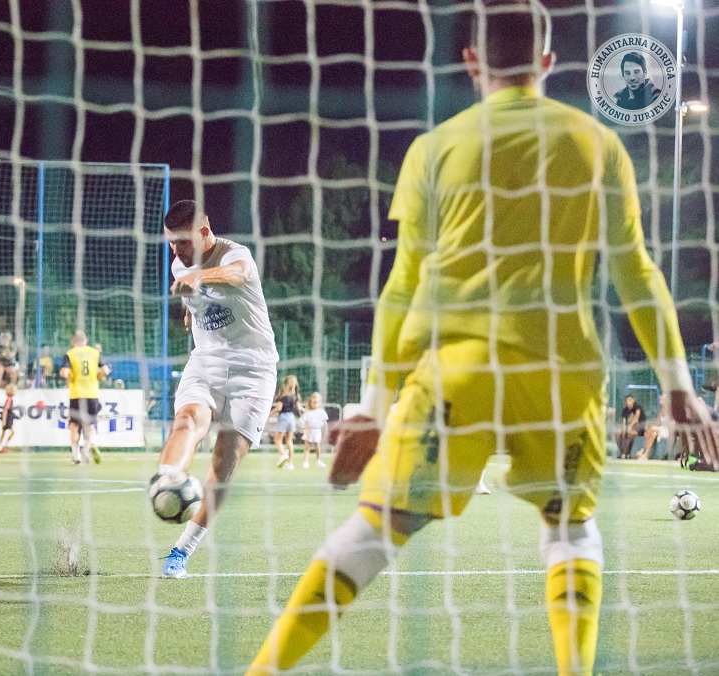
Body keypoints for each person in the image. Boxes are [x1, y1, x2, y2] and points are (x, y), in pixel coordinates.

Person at [247, 4, 719, 674]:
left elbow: (403, 285)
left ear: (471, 61)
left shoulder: (434, 149)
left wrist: (374, 407)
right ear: (548, 63)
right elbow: (637, 274)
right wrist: (679, 387)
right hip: (561, 375)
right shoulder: (596, 143)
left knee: (376, 529)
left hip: (456, 372)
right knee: (570, 527)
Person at [155, 199, 279, 579]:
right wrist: (190, 307)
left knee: (224, 464)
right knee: (187, 420)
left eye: (183, 242)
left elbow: (237, 274)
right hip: (206, 361)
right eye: (171, 243)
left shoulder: (235, 255)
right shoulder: (179, 263)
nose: (176, 251)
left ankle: (182, 550)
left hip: (253, 370)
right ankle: (166, 482)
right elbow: (194, 292)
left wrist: (201, 279)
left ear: (205, 233)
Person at [59, 330, 109, 464]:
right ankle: (86, 450)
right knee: (90, 425)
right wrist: (97, 377)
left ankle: (76, 456)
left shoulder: (70, 353)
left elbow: (64, 372)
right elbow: (105, 370)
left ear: (73, 342)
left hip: (76, 394)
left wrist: (70, 378)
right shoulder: (95, 353)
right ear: (85, 340)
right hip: (92, 394)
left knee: (74, 426)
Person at [270, 376, 301, 469]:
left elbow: (279, 408)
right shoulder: (295, 397)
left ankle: (283, 455)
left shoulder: (283, 397)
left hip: (284, 417)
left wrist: (269, 414)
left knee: (277, 439)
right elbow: (298, 409)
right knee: (289, 440)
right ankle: (290, 463)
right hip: (291, 417)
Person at [638, 394, 670, 460]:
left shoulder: (670, 411)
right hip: (661, 429)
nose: (660, 400)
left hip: (667, 430)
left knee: (651, 429)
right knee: (653, 434)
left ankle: (643, 449)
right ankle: (646, 454)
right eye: (660, 399)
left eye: (662, 399)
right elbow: (659, 424)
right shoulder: (660, 411)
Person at [300, 392, 328, 469]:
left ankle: (319, 461)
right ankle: (305, 462)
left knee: (317, 446)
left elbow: (325, 423)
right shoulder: (308, 412)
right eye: (313, 402)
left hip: (317, 430)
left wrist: (325, 432)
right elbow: (305, 423)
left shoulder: (321, 412)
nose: (315, 404)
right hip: (309, 430)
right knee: (307, 446)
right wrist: (306, 431)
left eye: (316, 402)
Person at [616, 394, 646, 459]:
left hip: (639, 428)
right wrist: (624, 429)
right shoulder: (625, 410)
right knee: (618, 435)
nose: (628, 402)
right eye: (627, 400)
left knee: (630, 434)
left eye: (629, 400)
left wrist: (630, 426)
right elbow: (624, 421)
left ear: (633, 400)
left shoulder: (637, 407)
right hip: (628, 428)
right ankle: (622, 453)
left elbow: (636, 418)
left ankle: (627, 453)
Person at [0, 381, 19, 453]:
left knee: (6, 433)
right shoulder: (9, 400)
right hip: (7, 419)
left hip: (9, 418)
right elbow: (5, 410)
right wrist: (4, 421)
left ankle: (1, 446)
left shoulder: (10, 399)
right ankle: (2, 446)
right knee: (9, 432)